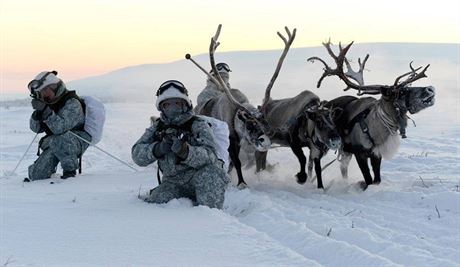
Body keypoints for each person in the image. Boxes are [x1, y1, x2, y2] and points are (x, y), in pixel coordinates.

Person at [132, 80, 230, 209]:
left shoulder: (198, 125)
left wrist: (186, 152)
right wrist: (157, 149)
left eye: (177, 103)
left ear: (185, 104)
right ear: (162, 107)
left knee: (211, 174)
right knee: (156, 204)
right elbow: (137, 155)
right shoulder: (157, 128)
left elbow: (210, 156)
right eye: (167, 104)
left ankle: (210, 219)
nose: (173, 108)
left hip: (200, 177)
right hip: (173, 182)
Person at [25, 71, 91, 181]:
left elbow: (60, 129)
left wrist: (46, 112)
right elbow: (36, 129)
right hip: (55, 141)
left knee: (61, 138)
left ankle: (70, 173)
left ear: (54, 87)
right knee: (37, 175)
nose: (43, 94)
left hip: (76, 140)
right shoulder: (47, 103)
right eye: (41, 92)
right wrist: (37, 114)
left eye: (45, 90)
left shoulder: (72, 102)